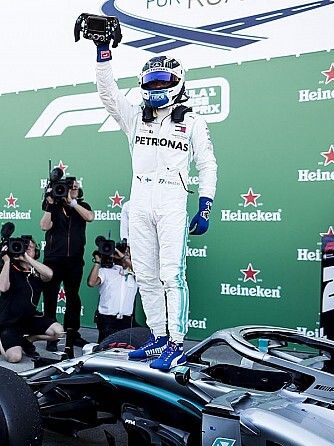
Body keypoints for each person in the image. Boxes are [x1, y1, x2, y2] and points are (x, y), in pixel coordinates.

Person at [92, 31, 217, 370]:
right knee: (145, 276)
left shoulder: (193, 122)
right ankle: (158, 337)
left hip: (172, 200)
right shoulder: (134, 116)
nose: (157, 86)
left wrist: (205, 204)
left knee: (171, 275)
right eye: (151, 81)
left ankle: (176, 343)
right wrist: (103, 52)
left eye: (163, 80)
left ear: (178, 82)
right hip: (140, 200)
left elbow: (207, 164)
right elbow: (107, 92)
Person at [40, 172, 94, 355]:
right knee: (50, 298)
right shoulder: (53, 206)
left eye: (76, 188)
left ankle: (72, 334)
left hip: (75, 260)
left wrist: (73, 203)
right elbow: (44, 226)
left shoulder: (82, 206)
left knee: (73, 298)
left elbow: (90, 217)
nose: (74, 190)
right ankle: (51, 336)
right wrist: (50, 205)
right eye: (70, 188)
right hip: (53, 259)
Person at [0, 238, 63, 363]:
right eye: (24, 247)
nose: (26, 250)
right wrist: (7, 261)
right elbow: (2, 287)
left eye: (30, 248)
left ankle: (27, 340)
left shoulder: (36, 271)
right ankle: (0, 337)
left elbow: (49, 275)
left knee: (58, 332)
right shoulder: (10, 268)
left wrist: (27, 258)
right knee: (15, 358)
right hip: (10, 322)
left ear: (36, 252)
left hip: (29, 318)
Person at [87, 243, 138, 342]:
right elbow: (91, 283)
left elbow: (140, 272)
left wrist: (122, 257)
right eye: (124, 252)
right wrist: (97, 262)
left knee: (124, 348)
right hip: (107, 319)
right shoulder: (105, 271)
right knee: (105, 348)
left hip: (126, 320)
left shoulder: (134, 273)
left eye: (128, 253)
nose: (126, 255)